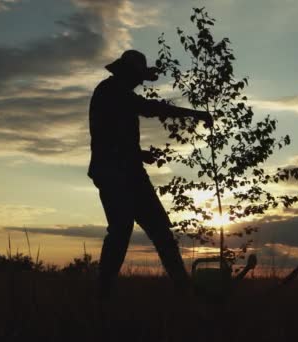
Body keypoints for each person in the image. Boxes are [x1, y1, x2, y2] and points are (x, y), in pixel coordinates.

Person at [88, 50, 212, 299]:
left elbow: (113, 135)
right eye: (139, 77)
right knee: (123, 231)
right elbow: (148, 108)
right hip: (115, 173)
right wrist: (195, 114)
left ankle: (183, 291)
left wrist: (139, 154)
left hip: (128, 170)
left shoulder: (116, 93)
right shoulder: (112, 92)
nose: (141, 82)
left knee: (157, 231)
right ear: (127, 74)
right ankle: (102, 295)